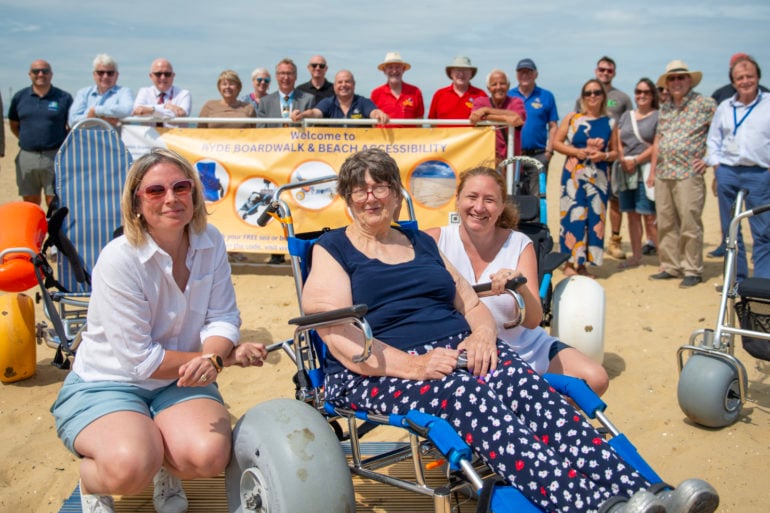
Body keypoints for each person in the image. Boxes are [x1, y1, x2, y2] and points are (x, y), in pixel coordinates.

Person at [301, 147, 718, 513]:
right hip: (381, 366)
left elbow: (469, 302)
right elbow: (332, 327)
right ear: (347, 198)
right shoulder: (333, 248)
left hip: (454, 352)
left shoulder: (419, 243)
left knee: (528, 386)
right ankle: (588, 504)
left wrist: (483, 335)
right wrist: (413, 365)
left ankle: (645, 491)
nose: (371, 196)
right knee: (467, 394)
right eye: (360, 188)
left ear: (395, 194)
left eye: (380, 186)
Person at [50, 148, 268, 513]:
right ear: (136, 202)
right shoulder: (120, 258)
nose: (171, 198)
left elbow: (223, 318)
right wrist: (221, 358)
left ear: (194, 195)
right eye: (155, 191)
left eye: (181, 187)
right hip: (109, 381)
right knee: (130, 465)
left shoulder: (209, 241)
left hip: (176, 381)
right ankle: (93, 482)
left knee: (208, 456)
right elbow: (140, 362)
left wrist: (214, 356)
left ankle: (166, 467)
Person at [425, 166, 609, 395]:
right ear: (458, 199)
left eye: (490, 200)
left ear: (502, 207)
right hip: (467, 352)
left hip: (524, 347)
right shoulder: (433, 241)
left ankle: (536, 425)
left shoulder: (519, 244)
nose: (479, 207)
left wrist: (519, 285)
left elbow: (533, 321)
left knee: (595, 379)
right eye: (472, 197)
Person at [648, 60, 716, 288]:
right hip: (664, 173)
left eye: (681, 77)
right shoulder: (665, 107)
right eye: (672, 79)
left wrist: (708, 160)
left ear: (689, 80)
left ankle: (692, 268)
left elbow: (720, 133)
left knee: (689, 222)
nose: (676, 82)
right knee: (666, 222)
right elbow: (659, 139)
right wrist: (653, 169)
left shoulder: (705, 104)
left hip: (689, 173)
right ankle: (670, 265)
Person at [704, 54, 770, 280]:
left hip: (759, 174)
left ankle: (762, 282)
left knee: (763, 231)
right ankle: (737, 280)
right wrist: (716, 165)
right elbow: (714, 140)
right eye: (739, 78)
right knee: (731, 231)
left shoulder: (768, 103)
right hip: (728, 173)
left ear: (758, 77)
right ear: (733, 82)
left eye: (749, 76)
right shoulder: (725, 107)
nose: (745, 81)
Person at [552, 79, 618, 277]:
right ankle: (569, 263)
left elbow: (616, 152)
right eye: (588, 93)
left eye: (597, 92)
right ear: (583, 96)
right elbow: (556, 142)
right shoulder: (573, 118)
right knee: (572, 216)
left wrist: (603, 156)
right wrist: (576, 151)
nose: (592, 96)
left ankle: (583, 265)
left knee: (594, 218)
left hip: (599, 177)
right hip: (574, 175)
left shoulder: (610, 122)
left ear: (603, 97)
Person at [575, 57, 634, 261]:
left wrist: (618, 153)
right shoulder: (583, 95)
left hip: (613, 156)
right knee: (587, 204)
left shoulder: (622, 98)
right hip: (588, 160)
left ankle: (614, 240)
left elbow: (629, 125)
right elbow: (578, 126)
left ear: (614, 73)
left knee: (614, 200)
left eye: (609, 70)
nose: (605, 73)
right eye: (602, 69)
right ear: (596, 70)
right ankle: (583, 247)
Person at [8, 59, 73, 206]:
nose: (41, 74)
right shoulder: (20, 97)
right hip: (27, 157)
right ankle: (35, 229)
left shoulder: (64, 98)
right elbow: (13, 124)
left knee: (54, 201)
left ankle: (53, 230)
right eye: (36, 71)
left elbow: (71, 126)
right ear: (30, 74)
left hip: (55, 156)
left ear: (51, 74)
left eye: (45, 71)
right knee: (30, 202)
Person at [614, 78, 660, 269]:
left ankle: (664, 260)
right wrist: (623, 158)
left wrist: (636, 160)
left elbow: (657, 145)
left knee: (649, 215)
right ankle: (636, 256)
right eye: (638, 91)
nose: (641, 96)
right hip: (625, 171)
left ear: (652, 95)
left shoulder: (658, 116)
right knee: (632, 215)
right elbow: (617, 139)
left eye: (646, 92)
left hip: (645, 170)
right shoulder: (626, 116)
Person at [508, 58, 560, 196]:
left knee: (537, 196)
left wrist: (549, 152)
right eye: (521, 72)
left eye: (528, 72)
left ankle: (537, 219)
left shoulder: (546, 96)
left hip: (538, 154)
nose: (525, 75)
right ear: (516, 75)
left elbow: (553, 125)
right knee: (512, 195)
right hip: (514, 155)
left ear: (535, 74)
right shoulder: (509, 95)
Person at [469, 69, 526, 165]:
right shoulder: (480, 102)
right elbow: (474, 117)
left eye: (502, 83)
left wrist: (487, 111)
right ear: (488, 88)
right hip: (487, 162)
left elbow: (518, 118)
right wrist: (504, 118)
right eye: (494, 84)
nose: (498, 87)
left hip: (511, 162)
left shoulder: (516, 102)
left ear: (508, 86)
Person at [302, 69, 389, 125]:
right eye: (340, 82)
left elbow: (373, 112)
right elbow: (315, 113)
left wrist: (379, 114)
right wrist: (302, 115)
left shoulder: (363, 102)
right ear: (334, 87)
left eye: (347, 81)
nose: (343, 85)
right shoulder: (328, 103)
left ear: (354, 85)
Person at [68, 54, 133, 127]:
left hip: (112, 138)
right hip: (86, 138)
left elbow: (128, 110)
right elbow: (72, 121)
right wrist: (103, 119)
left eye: (110, 73)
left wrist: (96, 111)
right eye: (101, 73)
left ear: (117, 75)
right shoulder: (83, 93)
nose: (105, 76)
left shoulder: (124, 92)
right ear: (94, 75)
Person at [132, 58, 192, 127]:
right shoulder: (144, 92)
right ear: (151, 76)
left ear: (173, 75)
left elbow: (180, 115)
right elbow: (138, 111)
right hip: (149, 137)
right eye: (158, 74)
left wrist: (150, 110)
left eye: (167, 74)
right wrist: (165, 106)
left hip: (175, 137)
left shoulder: (184, 94)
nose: (163, 77)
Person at [256, 58, 316, 127]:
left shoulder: (308, 100)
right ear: (276, 76)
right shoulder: (265, 102)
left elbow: (311, 130)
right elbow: (261, 131)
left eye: (289, 73)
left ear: (296, 76)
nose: (286, 77)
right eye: (282, 73)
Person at [370, 51, 425, 126]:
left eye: (397, 67)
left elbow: (419, 121)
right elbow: (373, 124)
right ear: (384, 71)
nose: (394, 71)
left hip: (409, 137)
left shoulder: (415, 92)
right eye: (390, 67)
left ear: (403, 69)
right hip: (383, 138)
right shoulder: (376, 93)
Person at [428, 56, 486, 125]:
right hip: (445, 136)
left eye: (465, 70)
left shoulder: (481, 95)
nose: (461, 74)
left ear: (471, 74)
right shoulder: (439, 94)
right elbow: (432, 123)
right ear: (451, 73)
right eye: (457, 70)